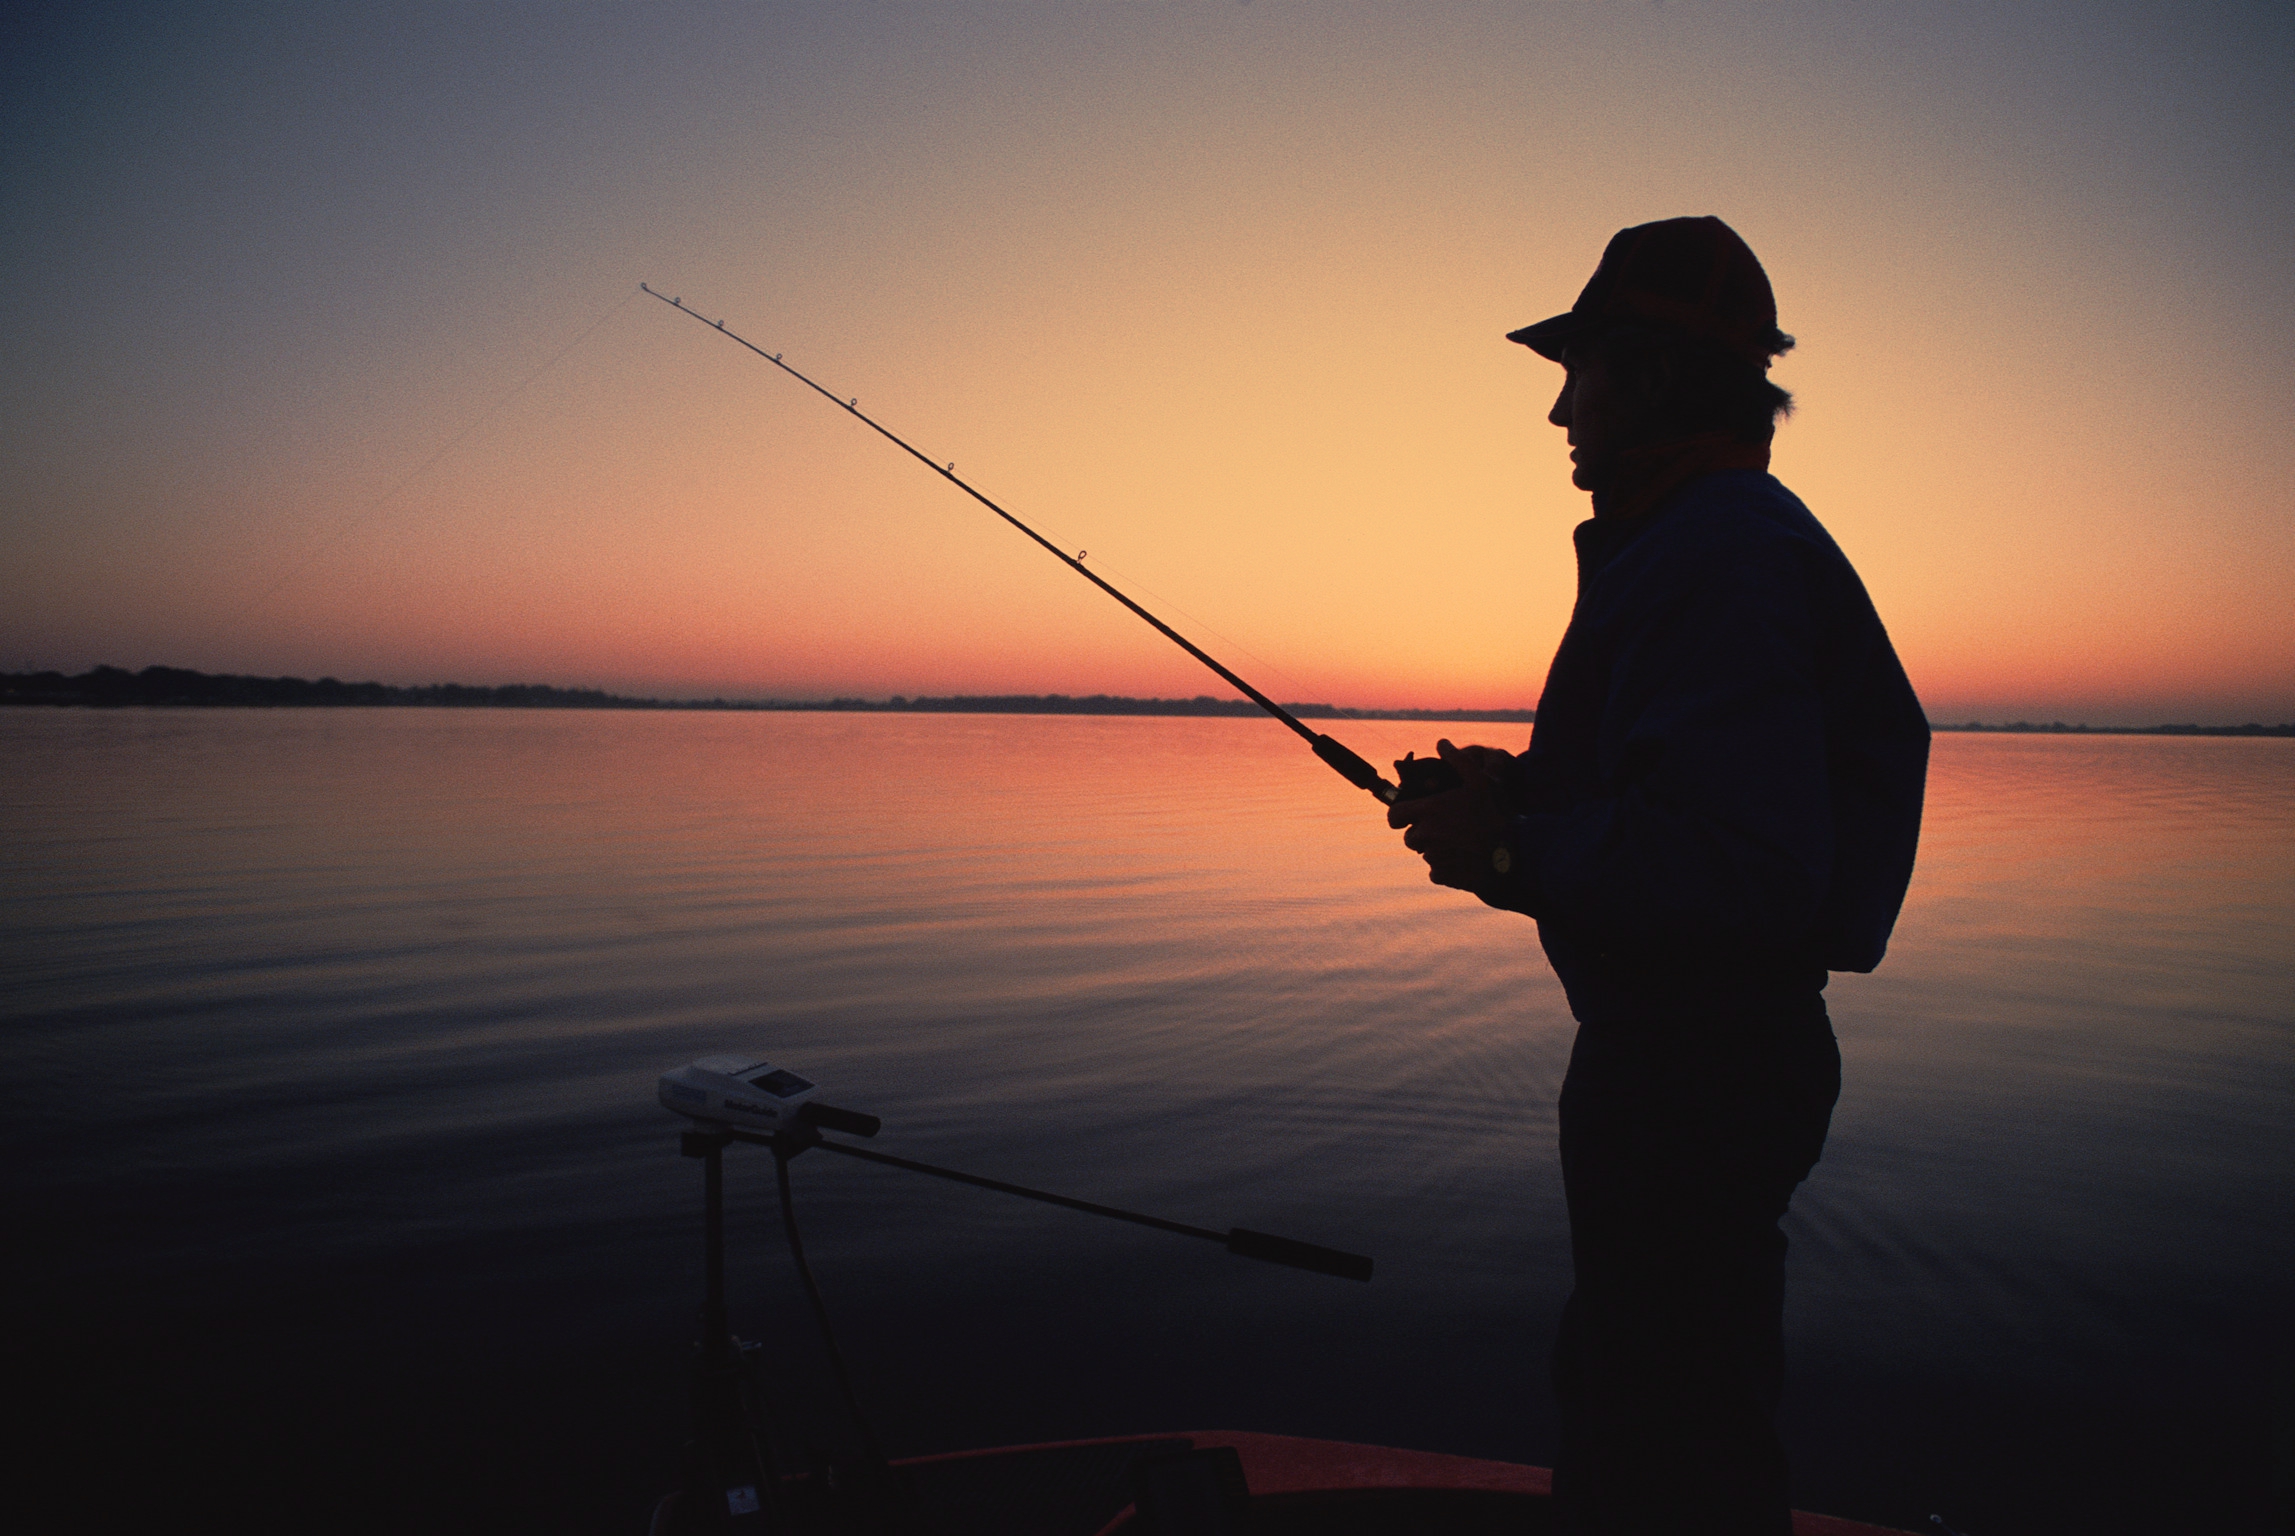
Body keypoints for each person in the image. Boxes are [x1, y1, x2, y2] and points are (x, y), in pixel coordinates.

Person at [1387, 217, 1929, 1535]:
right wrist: (1515, 795)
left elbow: (1747, 871)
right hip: (1695, 1061)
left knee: (1662, 1432)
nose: (1560, 410)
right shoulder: (1700, 542)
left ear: (1649, 377)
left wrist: (1513, 850)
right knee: (1667, 1397)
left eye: (1581, 373)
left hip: (1694, 1068)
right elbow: (1695, 799)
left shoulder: (1722, 554)